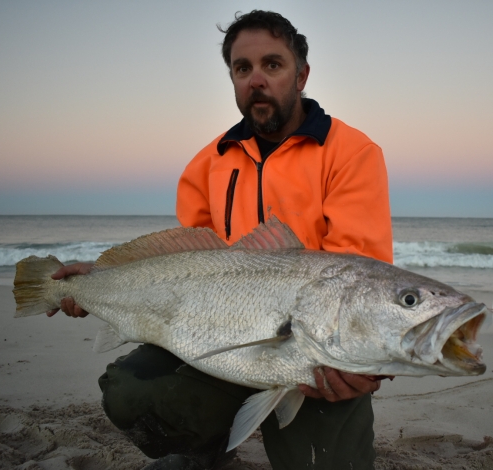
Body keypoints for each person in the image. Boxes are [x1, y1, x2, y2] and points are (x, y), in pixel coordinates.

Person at [50, 10, 393, 470]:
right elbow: (182, 267)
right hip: (219, 341)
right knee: (130, 392)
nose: (256, 80)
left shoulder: (352, 153)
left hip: (311, 353)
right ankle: (205, 450)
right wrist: (100, 282)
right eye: (242, 68)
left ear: (302, 74)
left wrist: (364, 357)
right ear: (231, 77)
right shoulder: (206, 163)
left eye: (272, 65)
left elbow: (361, 278)